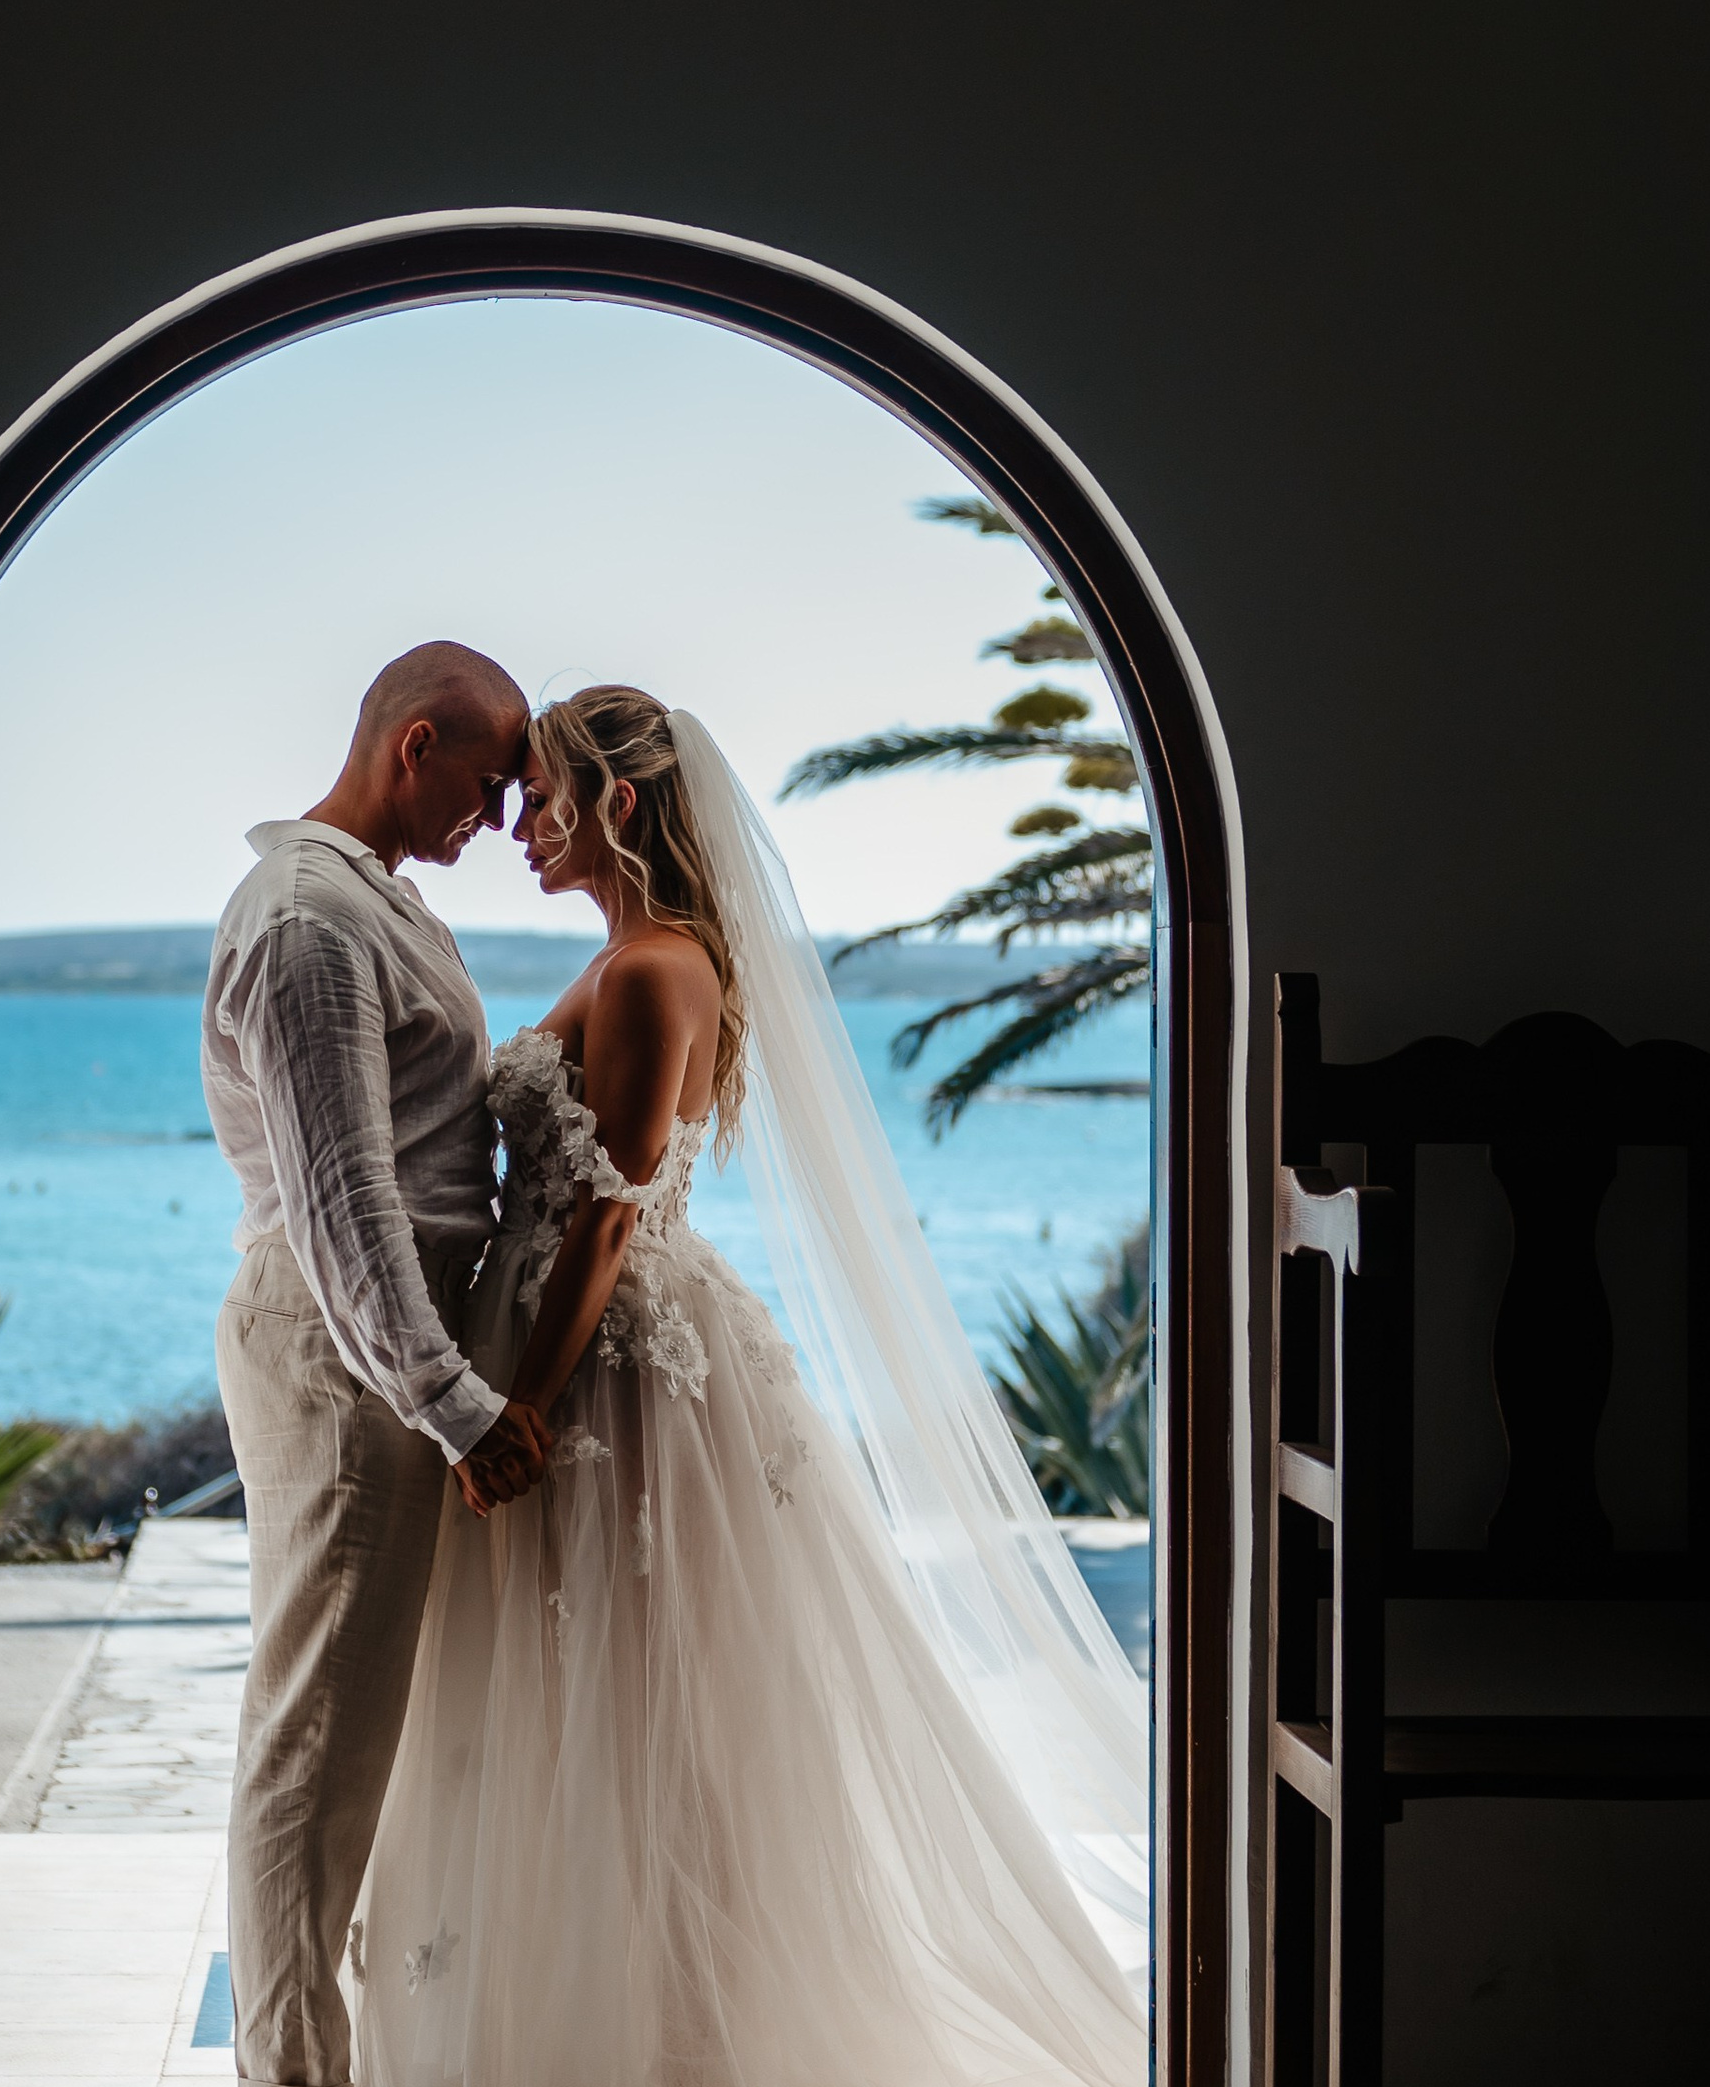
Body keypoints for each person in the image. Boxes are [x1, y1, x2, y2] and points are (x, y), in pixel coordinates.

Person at [354, 687, 1150, 2087]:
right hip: (555, 1342)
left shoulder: (659, 968)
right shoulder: (630, 955)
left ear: (622, 804)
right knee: (568, 1706)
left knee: (639, 1715)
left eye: (545, 797)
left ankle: (675, 2043)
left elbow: (610, 1209)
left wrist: (523, 1408)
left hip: (606, 1375)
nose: (522, 824)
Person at [204, 642, 553, 2087]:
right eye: (489, 780)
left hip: (377, 1337)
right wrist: (459, 1406)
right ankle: (289, 2075)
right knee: (317, 1744)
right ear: (415, 745)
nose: (501, 813)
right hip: (345, 1350)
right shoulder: (307, 923)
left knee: (359, 1734)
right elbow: (345, 1202)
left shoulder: (379, 907)